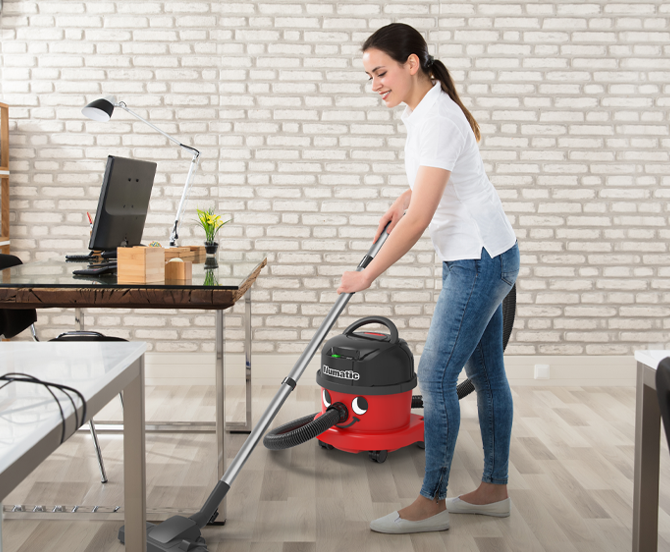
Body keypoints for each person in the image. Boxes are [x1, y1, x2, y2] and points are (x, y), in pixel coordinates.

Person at [336, 23, 520, 534]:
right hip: (485, 253)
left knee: (437, 377)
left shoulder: (437, 117)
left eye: (381, 72)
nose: (375, 83)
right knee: (486, 377)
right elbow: (431, 184)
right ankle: (493, 491)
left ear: (411, 63)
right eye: (369, 75)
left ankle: (432, 501)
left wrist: (368, 274)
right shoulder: (422, 113)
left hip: (479, 259)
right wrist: (403, 197)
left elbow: (422, 220)